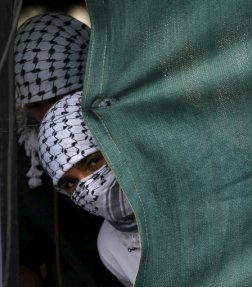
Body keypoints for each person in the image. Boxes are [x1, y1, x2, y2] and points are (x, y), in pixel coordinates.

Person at [15, 13, 122, 286]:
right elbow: (23, 260)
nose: (49, 115)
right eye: (37, 105)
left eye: (60, 98)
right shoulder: (28, 164)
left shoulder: (130, 138)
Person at [37, 92, 141, 286]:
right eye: (70, 183)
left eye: (93, 162)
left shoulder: (191, 189)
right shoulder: (111, 245)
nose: (89, 189)